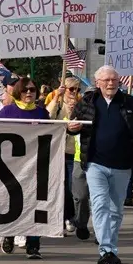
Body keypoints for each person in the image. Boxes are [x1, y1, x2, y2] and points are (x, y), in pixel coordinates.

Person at [67, 65, 133, 264]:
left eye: (114, 80)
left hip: (123, 164)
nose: (111, 83)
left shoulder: (131, 103)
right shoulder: (87, 102)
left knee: (116, 210)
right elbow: (72, 125)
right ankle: (106, 251)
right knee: (100, 204)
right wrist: (71, 128)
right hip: (95, 163)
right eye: (106, 80)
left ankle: (110, 247)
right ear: (98, 83)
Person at [0, 76, 48, 259]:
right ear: (18, 91)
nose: (29, 93)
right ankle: (9, 234)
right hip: (11, 167)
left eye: (32, 90)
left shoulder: (42, 113)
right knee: (13, 203)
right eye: (25, 90)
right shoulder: (7, 112)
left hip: (35, 166)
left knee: (36, 205)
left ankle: (33, 244)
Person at [47, 76, 82, 234]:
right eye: (71, 89)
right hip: (58, 151)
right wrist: (56, 97)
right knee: (60, 187)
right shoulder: (59, 104)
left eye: (77, 89)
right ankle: (63, 218)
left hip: (74, 153)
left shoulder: (81, 105)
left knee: (72, 188)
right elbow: (47, 116)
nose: (74, 93)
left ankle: (70, 216)